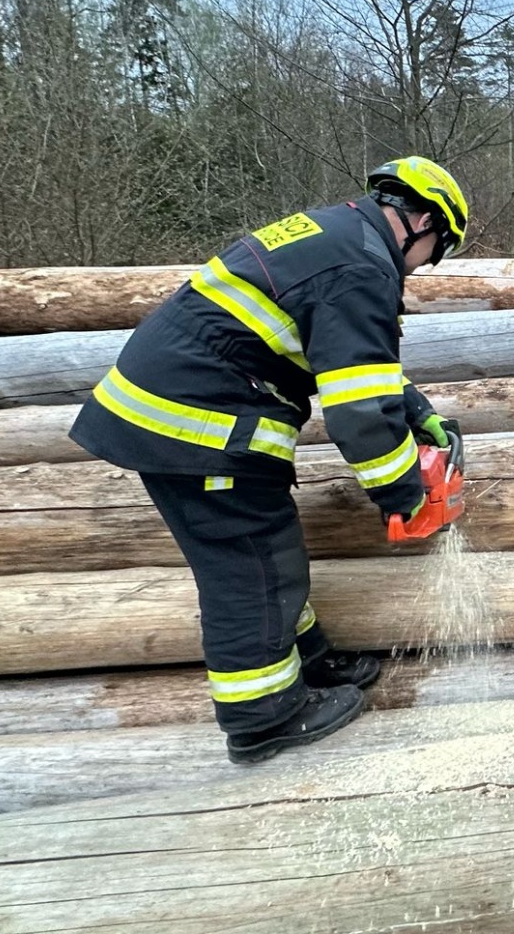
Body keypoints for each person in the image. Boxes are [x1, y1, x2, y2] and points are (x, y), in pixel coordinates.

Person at [70, 157, 470, 762]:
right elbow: (359, 413)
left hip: (185, 407)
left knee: (269, 556)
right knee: (250, 569)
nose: (425, 267)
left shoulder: (335, 237)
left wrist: (418, 413)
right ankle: (263, 717)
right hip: (195, 421)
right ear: (421, 221)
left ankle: (306, 663)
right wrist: (404, 495)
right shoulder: (362, 265)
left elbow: (350, 360)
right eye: (436, 252)